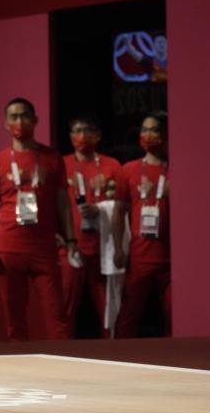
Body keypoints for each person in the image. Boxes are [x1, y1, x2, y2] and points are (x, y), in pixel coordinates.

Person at [0, 98, 78, 341]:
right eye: (13, 117)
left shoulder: (52, 158)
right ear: (5, 124)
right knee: (15, 316)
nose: (19, 121)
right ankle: (18, 365)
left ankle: (66, 365)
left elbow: (63, 203)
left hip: (44, 247)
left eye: (24, 116)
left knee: (57, 314)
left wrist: (70, 238)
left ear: (35, 120)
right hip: (9, 247)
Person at [61, 115, 125, 337]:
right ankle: (60, 353)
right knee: (65, 306)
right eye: (76, 131)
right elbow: (52, 204)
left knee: (108, 307)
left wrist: (100, 208)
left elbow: (122, 205)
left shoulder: (112, 166)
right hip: (73, 247)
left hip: (103, 246)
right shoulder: (62, 165)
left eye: (86, 130)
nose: (81, 136)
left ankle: (112, 352)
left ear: (97, 135)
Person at [114, 111, 171, 337]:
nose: (147, 135)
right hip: (140, 254)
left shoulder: (177, 168)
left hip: (171, 256)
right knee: (129, 312)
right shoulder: (128, 169)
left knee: (173, 313)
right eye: (144, 130)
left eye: (154, 130)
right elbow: (119, 211)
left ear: (166, 135)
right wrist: (119, 247)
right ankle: (120, 356)